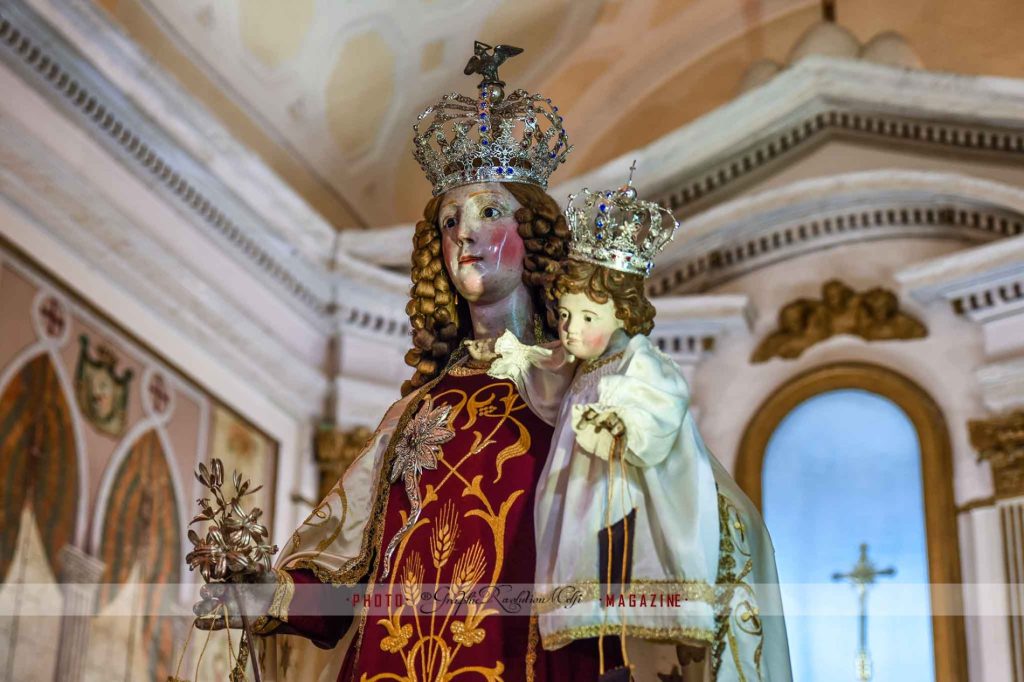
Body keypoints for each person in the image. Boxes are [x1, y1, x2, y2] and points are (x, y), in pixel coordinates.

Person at [193, 44, 625, 681]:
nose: (465, 234)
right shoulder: (413, 413)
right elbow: (340, 585)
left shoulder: (579, 383)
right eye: (451, 221)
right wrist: (266, 595)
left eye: (489, 212)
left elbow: (634, 529)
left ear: (530, 234)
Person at [485, 176, 794, 681]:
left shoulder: (640, 360)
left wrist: (621, 425)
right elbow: (544, 380)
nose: (570, 329)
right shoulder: (580, 364)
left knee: (626, 575)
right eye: (564, 316)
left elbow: (661, 404)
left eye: (587, 316)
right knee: (588, 589)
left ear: (624, 314)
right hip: (583, 498)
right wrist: (519, 359)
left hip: (632, 491)